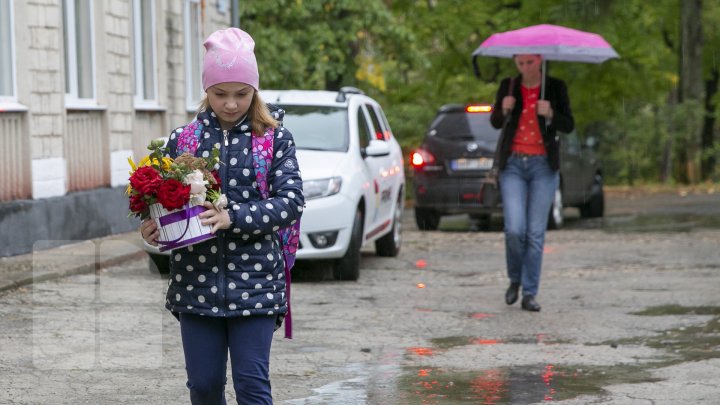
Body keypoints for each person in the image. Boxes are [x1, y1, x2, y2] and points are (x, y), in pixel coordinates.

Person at [140, 27, 303, 404]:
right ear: (206, 91)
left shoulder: (274, 139)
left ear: (255, 91)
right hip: (195, 284)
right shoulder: (183, 140)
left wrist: (235, 217)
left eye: (241, 94)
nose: (231, 104)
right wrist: (152, 227)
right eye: (220, 93)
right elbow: (160, 199)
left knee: (252, 386)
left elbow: (291, 200)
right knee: (204, 386)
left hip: (258, 285)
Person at [489, 54, 574, 312]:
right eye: (520, 63)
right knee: (515, 229)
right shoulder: (509, 86)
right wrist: (503, 109)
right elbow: (495, 122)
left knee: (535, 233)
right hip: (513, 164)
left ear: (540, 60)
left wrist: (551, 114)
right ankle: (514, 279)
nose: (525, 68)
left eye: (530, 62)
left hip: (543, 167)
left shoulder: (555, 87)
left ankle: (529, 292)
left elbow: (568, 124)